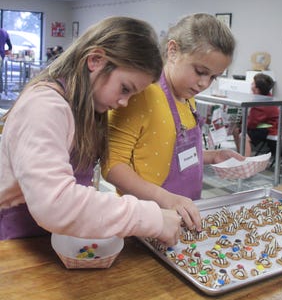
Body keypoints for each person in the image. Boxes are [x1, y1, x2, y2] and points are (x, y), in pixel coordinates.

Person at [0, 16, 182, 244]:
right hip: (17, 241)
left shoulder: (86, 107)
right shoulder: (44, 106)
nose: (124, 103)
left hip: (54, 239)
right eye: (124, 89)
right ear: (95, 60)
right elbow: (56, 203)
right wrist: (148, 217)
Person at [101, 13, 245, 231]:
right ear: (173, 51)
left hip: (185, 212)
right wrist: (166, 199)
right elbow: (112, 166)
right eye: (200, 72)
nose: (204, 83)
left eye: (213, 77)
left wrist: (213, 156)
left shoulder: (187, 97)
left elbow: (170, 152)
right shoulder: (142, 94)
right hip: (147, 219)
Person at [233, 73, 278, 157]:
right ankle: (240, 154)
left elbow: (252, 124)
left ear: (257, 89)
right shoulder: (266, 97)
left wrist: (242, 125)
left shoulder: (260, 104)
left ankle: (245, 160)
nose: (251, 84)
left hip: (267, 126)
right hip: (262, 124)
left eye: (253, 83)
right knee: (236, 130)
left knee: (243, 135)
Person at [0, 28, 13, 93]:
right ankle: (0, 90)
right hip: (1, 56)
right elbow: (10, 46)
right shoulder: (4, 32)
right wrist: (6, 52)